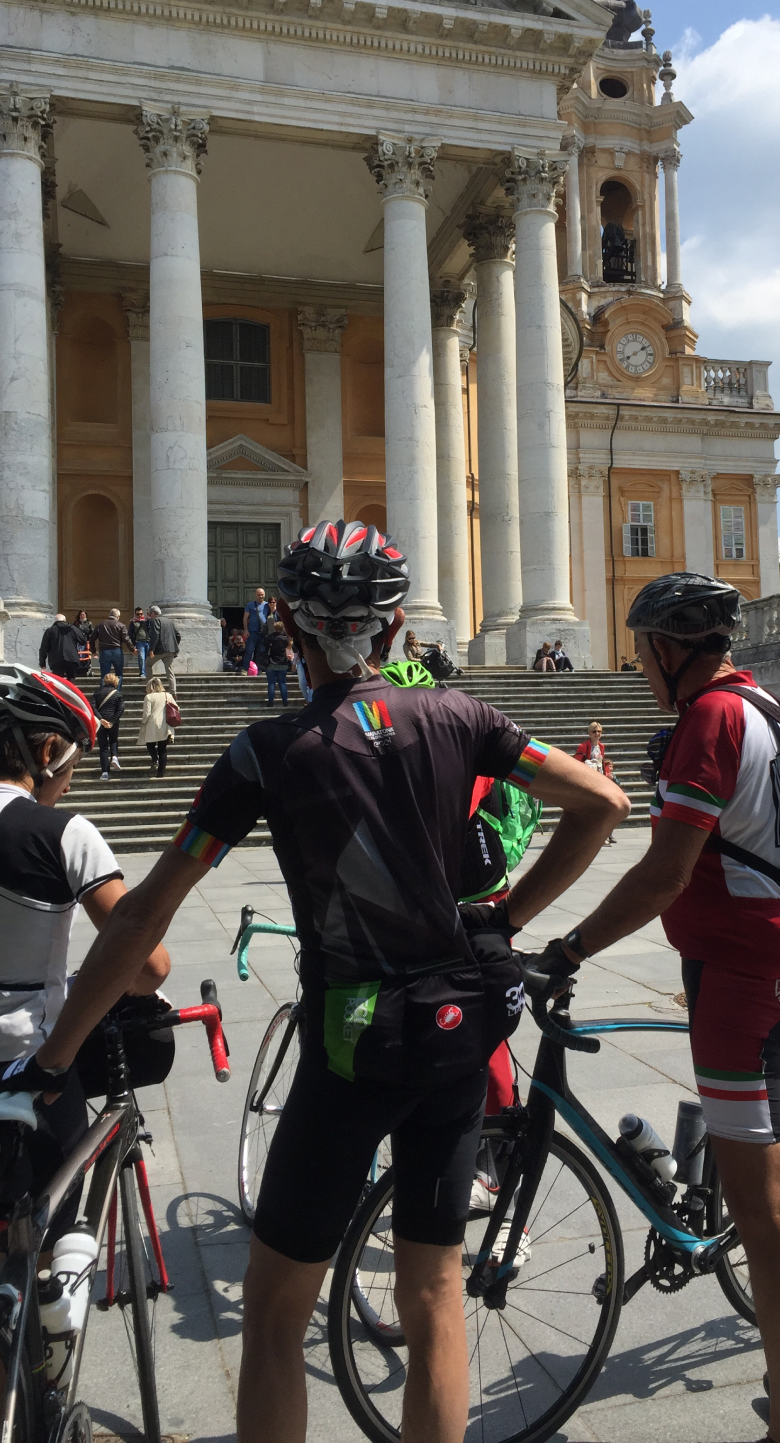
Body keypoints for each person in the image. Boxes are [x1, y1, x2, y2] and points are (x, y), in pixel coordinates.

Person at [23, 517, 628, 1443]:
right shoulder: (461, 716)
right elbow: (603, 803)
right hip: (457, 1032)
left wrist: (60, 1055)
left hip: (352, 1044)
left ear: (290, 633)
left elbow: (147, 911)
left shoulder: (262, 755)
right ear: (393, 631)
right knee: (434, 1294)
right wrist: (505, 920)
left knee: (273, 1316)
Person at [531, 572, 780, 1443]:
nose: (639, 666)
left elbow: (665, 872)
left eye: (643, 650)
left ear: (669, 650)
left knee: (768, 1213)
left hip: (740, 981)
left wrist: (571, 948)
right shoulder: (767, 705)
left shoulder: (708, 722)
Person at [0, 664, 170, 1246]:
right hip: (24, 1059)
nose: (69, 784)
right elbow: (147, 965)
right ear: (46, 749)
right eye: (70, 768)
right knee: (49, 1239)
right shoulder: (63, 832)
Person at [575, 722, 617, 845]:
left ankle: (602, 835)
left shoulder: (601, 747)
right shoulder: (583, 746)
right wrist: (589, 764)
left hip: (599, 779)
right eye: (594, 731)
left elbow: (603, 763)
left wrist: (607, 772)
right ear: (589, 733)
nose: (597, 734)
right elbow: (576, 763)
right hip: (587, 779)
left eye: (599, 731)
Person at [137, 677, 176, 777]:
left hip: (152, 724)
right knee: (162, 749)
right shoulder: (168, 695)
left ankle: (155, 759)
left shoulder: (149, 697)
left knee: (150, 744)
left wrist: (143, 722)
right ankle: (161, 772)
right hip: (166, 724)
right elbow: (176, 708)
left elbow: (147, 713)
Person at [92, 670, 125, 779]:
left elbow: (92, 707)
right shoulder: (117, 694)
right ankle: (114, 757)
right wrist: (112, 721)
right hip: (113, 721)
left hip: (100, 723)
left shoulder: (97, 692)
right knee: (113, 740)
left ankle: (105, 772)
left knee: (103, 747)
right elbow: (121, 709)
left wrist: (101, 720)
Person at [38, 615, 86, 681]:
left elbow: (44, 647)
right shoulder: (73, 628)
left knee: (58, 680)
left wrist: (42, 662)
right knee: (71, 678)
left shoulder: (50, 630)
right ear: (64, 620)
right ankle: (69, 690)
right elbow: (83, 641)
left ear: (55, 621)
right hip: (71, 658)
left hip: (56, 659)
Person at [147, 606, 180, 697]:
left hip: (160, 649)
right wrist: (174, 645)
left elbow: (155, 636)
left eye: (150, 614)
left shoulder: (156, 621)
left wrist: (151, 650)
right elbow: (178, 635)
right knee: (169, 669)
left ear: (153, 613)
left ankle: (151, 689)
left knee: (148, 664)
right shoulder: (169, 621)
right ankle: (173, 692)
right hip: (171, 650)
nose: (150, 616)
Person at [95, 608, 134, 687]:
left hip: (104, 651)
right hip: (117, 651)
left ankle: (104, 693)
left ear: (109, 615)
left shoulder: (100, 625)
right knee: (119, 674)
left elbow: (92, 638)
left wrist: (93, 651)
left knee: (104, 675)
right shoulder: (121, 625)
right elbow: (126, 639)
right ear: (118, 616)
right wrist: (133, 649)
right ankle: (117, 692)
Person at [242, 587, 271, 671]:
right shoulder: (250, 605)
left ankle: (260, 669)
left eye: (262, 594)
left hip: (263, 632)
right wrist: (246, 630)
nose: (261, 596)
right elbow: (245, 618)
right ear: (255, 595)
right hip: (252, 631)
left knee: (261, 651)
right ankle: (247, 669)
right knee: (249, 651)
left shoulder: (267, 605)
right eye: (259, 595)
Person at [265, 620, 292, 706]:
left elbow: (264, 645)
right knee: (282, 683)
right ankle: (285, 701)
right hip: (283, 662)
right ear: (283, 628)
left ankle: (270, 702)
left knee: (271, 683)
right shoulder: (285, 639)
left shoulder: (270, 637)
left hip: (271, 662)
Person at [129, 608, 151, 679]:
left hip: (148, 641)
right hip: (139, 642)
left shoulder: (147, 621)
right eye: (138, 614)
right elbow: (130, 633)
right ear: (135, 614)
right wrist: (133, 645)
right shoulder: (133, 622)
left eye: (141, 614)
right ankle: (142, 672)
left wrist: (149, 616)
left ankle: (148, 672)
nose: (139, 615)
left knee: (148, 658)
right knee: (141, 658)